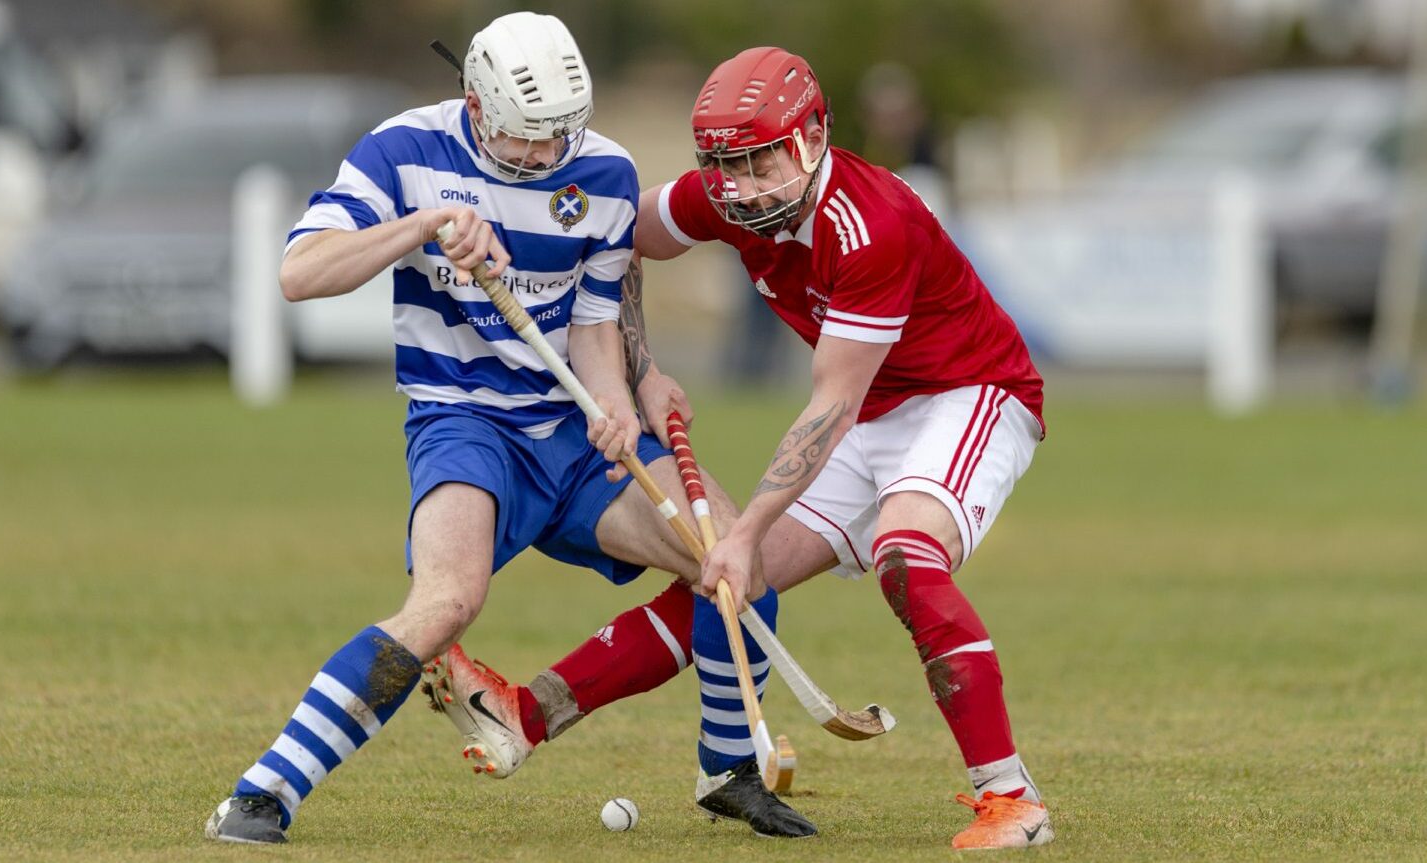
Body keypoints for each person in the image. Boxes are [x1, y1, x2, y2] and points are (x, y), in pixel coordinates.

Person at [203, 16, 811, 844]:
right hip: (463, 426)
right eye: (523, 139)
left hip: (568, 432)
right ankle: (266, 789)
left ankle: (728, 768)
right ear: (474, 103)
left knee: (735, 562)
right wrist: (422, 227)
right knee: (446, 603)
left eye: (557, 136)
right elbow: (300, 272)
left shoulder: (601, 173)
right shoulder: (402, 151)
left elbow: (596, 325)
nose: (541, 156)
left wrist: (615, 404)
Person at [451, 47, 1054, 850]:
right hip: (867, 410)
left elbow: (830, 404)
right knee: (725, 584)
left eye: (760, 158)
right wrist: (641, 366)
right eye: (724, 164)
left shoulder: (872, 225)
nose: (741, 183)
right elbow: (618, 238)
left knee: (904, 554)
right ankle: (527, 714)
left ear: (810, 139)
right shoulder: (723, 200)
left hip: (965, 394)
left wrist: (741, 531)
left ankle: (1012, 798)